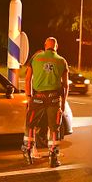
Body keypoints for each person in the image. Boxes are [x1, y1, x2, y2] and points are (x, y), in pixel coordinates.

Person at [22, 37, 69, 167]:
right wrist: (63, 102)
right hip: (54, 98)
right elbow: (65, 85)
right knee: (54, 128)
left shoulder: (35, 58)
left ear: (45, 45)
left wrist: (28, 96)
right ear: (56, 46)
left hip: (38, 97)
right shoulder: (62, 61)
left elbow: (27, 79)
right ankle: (53, 157)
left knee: (30, 124)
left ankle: (27, 151)